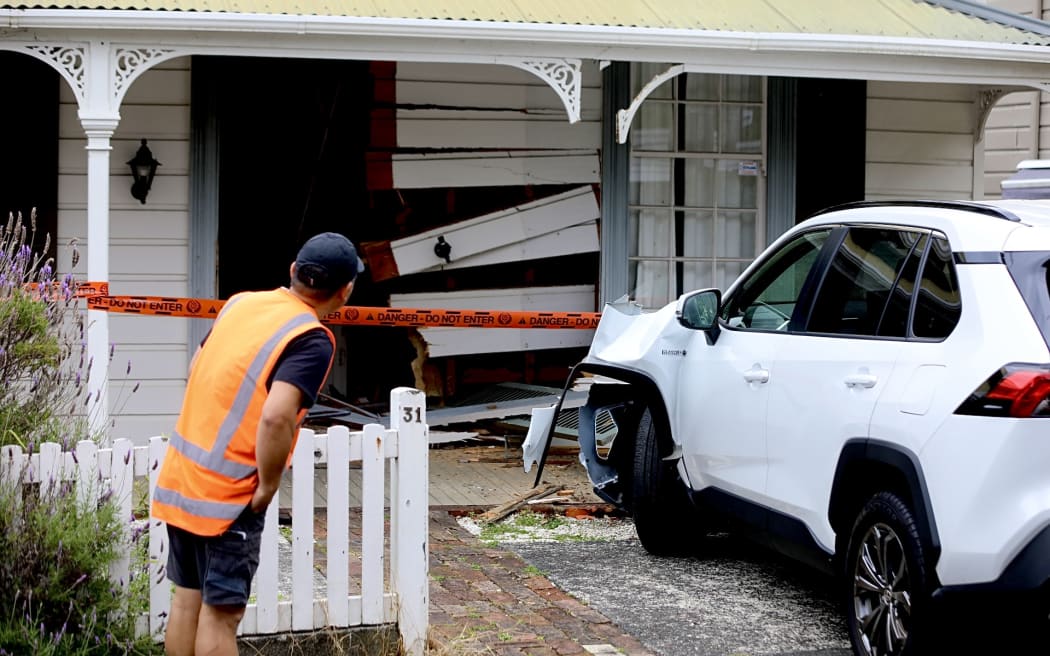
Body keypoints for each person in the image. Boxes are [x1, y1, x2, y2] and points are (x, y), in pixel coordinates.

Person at [152, 232, 363, 656]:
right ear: (345, 291)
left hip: (182, 479)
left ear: (292, 271)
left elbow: (198, 368)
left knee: (186, 602)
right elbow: (277, 415)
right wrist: (267, 485)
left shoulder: (240, 304)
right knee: (220, 618)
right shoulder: (311, 337)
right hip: (229, 498)